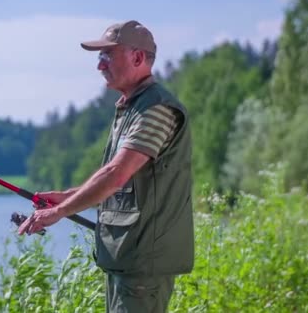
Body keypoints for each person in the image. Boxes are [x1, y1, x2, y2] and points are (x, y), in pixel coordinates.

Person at [18, 20, 194, 312]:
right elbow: (122, 181)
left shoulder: (157, 109)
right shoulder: (132, 107)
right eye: (100, 57)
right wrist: (67, 196)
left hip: (143, 263)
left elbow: (116, 174)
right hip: (128, 258)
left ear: (138, 58)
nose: (100, 66)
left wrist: (60, 211)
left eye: (107, 55)